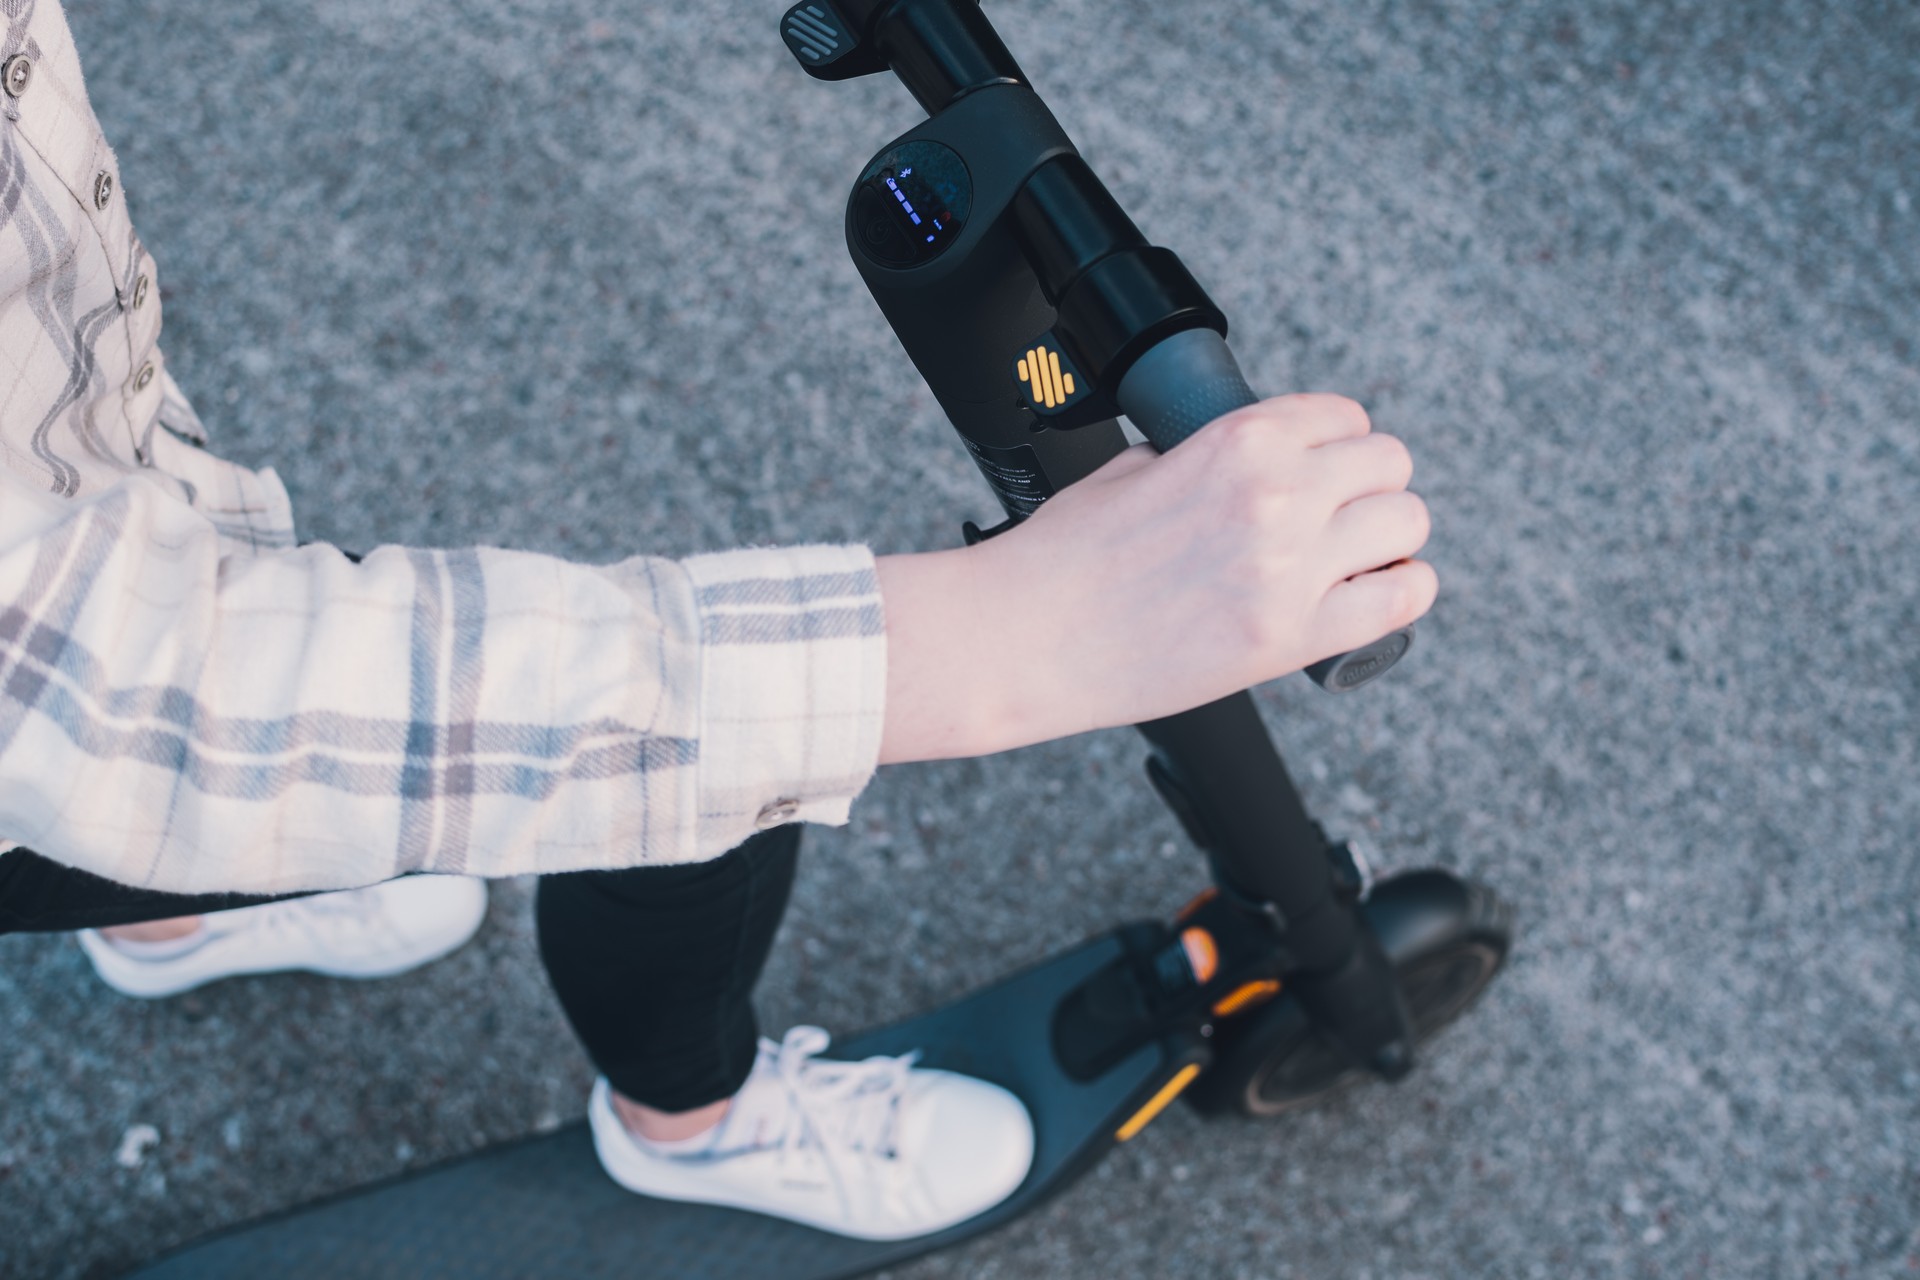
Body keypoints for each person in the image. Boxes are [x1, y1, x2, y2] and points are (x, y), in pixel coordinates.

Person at [0, 0, 1436, 1243]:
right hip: (67, 700)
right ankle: (688, 1120)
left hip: (89, 538)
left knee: (289, 736)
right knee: (687, 764)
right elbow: (91, 677)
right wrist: (1005, 639)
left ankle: (171, 909)